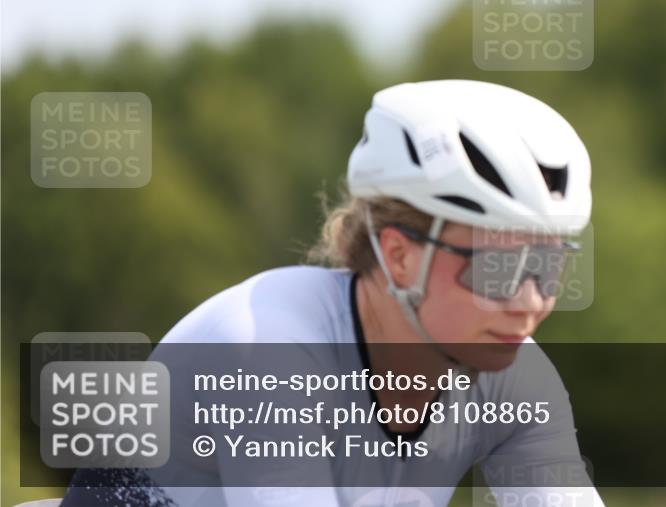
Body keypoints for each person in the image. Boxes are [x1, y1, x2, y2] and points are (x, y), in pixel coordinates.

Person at [61, 79, 604, 506]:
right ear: (398, 255)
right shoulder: (269, 349)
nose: (531, 302)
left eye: (548, 267)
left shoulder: (519, 380)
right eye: (499, 268)